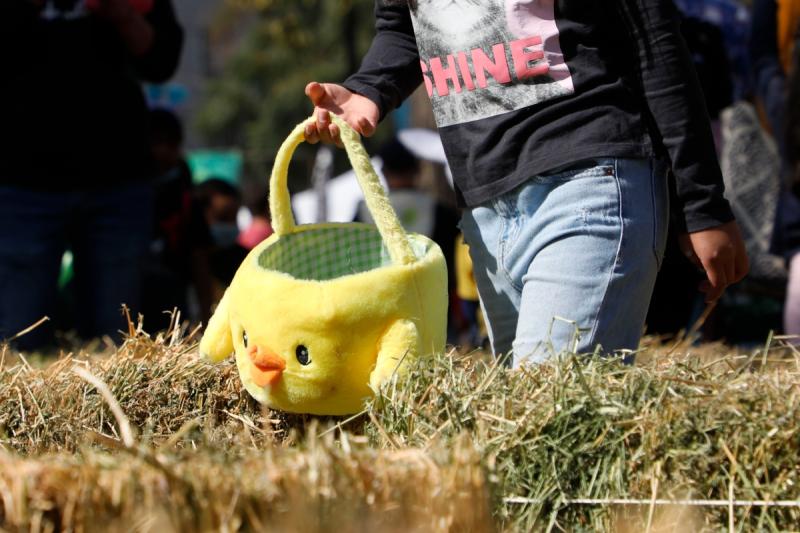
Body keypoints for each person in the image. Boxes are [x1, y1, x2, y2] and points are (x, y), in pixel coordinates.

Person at [304, 0, 749, 366]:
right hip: (484, 209)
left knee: (547, 420)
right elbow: (404, 28)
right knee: (526, 432)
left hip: (589, 178)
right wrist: (368, 88)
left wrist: (702, 203)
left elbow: (655, 44)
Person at [0, 0, 183, 350]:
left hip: (116, 178)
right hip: (20, 178)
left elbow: (162, 61)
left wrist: (121, 13)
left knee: (114, 338)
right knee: (17, 338)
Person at [142, 108, 213, 332]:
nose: (160, 151)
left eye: (167, 143)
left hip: (173, 308)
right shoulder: (128, 197)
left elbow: (200, 262)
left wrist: (206, 320)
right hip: (133, 303)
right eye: (155, 143)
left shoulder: (186, 199)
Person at [195, 178, 249, 298]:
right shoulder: (181, 264)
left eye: (234, 218)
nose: (230, 225)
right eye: (223, 217)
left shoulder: (245, 261)